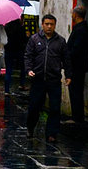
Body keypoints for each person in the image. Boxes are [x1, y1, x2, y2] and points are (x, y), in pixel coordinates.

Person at [24, 13, 72, 144]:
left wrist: (68, 75)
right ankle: (30, 127)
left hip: (54, 79)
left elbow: (66, 59)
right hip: (38, 79)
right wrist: (29, 70)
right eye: (47, 24)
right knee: (34, 106)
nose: (49, 27)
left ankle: (52, 133)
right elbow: (28, 56)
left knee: (55, 108)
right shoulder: (34, 39)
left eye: (51, 24)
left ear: (55, 25)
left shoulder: (60, 41)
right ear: (42, 25)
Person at [66, 5, 88, 127]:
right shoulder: (82, 28)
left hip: (77, 65)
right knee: (75, 90)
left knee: (75, 90)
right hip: (78, 65)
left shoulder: (81, 30)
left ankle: (77, 117)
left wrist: (67, 57)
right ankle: (77, 116)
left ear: (75, 15)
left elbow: (76, 49)